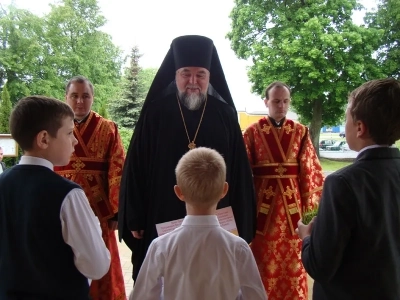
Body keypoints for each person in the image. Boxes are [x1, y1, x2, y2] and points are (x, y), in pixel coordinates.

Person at [118, 35, 257, 282]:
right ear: (175, 75)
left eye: (200, 74)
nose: (193, 81)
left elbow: (239, 170)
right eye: (186, 73)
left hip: (216, 218)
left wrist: (243, 220)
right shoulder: (155, 113)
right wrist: (134, 215)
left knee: (213, 282)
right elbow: (136, 166)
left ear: (209, 77)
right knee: (165, 281)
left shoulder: (224, 114)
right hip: (162, 212)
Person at [297, 78, 400, 299]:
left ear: (360, 128)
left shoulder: (342, 183)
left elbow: (320, 266)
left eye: (346, 119)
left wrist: (306, 238)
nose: (344, 128)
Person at [0, 96, 110, 299]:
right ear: (44, 139)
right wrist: (93, 227)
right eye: (69, 133)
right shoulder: (68, 195)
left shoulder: (3, 182)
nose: (75, 141)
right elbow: (97, 266)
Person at [130, 147, 267, 300]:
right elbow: (257, 297)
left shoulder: (161, 246)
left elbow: (141, 296)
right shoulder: (238, 248)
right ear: (224, 190)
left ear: (178, 192)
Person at [243, 81, 324, 300]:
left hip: (293, 216)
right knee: (262, 263)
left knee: (292, 264)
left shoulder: (300, 132)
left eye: (286, 101)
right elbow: (242, 175)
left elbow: (311, 174)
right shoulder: (251, 133)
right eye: (276, 101)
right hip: (261, 214)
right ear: (266, 102)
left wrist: (311, 216)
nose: (281, 106)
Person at [54, 76, 126, 300]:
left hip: (99, 209)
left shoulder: (108, 128)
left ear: (92, 98)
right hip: (58, 205)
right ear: (66, 97)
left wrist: (116, 210)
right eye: (74, 96)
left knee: (101, 262)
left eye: (85, 96)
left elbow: (117, 168)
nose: (80, 101)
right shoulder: (54, 126)